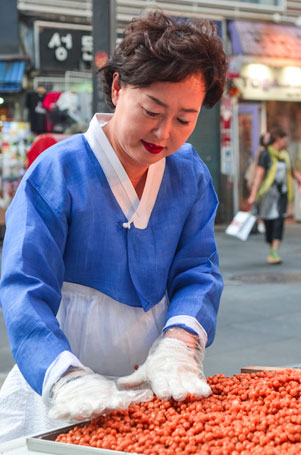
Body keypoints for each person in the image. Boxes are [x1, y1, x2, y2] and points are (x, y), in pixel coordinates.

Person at [0, 10, 226, 442]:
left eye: (184, 118)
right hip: (62, 378)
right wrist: (65, 376)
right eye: (152, 109)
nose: (164, 132)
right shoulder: (56, 173)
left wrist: (180, 343)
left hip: (157, 376)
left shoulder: (189, 174)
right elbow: (23, 289)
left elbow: (198, 271)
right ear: (118, 87)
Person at [248, 125, 293, 264]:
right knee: (269, 222)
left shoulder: (285, 155)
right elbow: (259, 176)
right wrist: (253, 195)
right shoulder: (265, 154)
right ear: (278, 139)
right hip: (267, 194)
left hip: (281, 194)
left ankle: (274, 251)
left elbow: (291, 172)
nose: (286, 141)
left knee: (279, 220)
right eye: (284, 138)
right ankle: (271, 247)